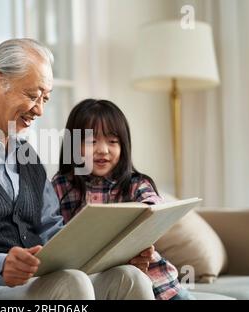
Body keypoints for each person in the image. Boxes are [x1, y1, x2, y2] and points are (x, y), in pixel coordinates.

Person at [0, 38, 156, 299]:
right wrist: (1, 265)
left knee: (129, 278)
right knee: (71, 283)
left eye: (45, 99)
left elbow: (52, 231)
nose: (39, 110)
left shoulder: (27, 155)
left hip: (36, 283)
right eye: (32, 95)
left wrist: (112, 255)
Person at [51, 99, 193, 300]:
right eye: (92, 141)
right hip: (100, 286)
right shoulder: (61, 186)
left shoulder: (135, 183)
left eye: (112, 141)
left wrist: (146, 217)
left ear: (123, 145)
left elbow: (154, 206)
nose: (103, 150)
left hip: (159, 283)